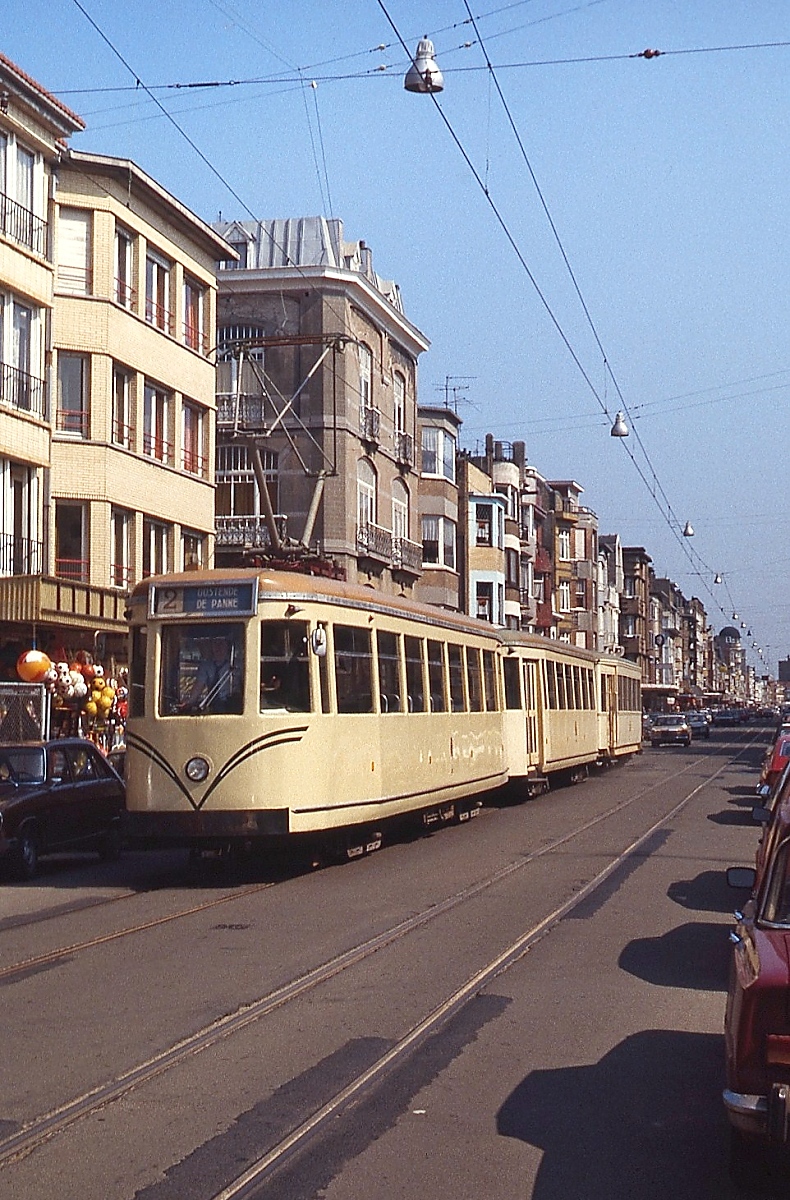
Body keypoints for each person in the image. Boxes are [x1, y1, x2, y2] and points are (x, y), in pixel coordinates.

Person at [183, 637, 240, 713]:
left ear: (227, 645)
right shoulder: (206, 666)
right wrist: (188, 703)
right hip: (212, 706)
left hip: (232, 706)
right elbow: (198, 688)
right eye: (215, 643)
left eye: (221, 643)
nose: (218, 647)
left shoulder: (237, 665)